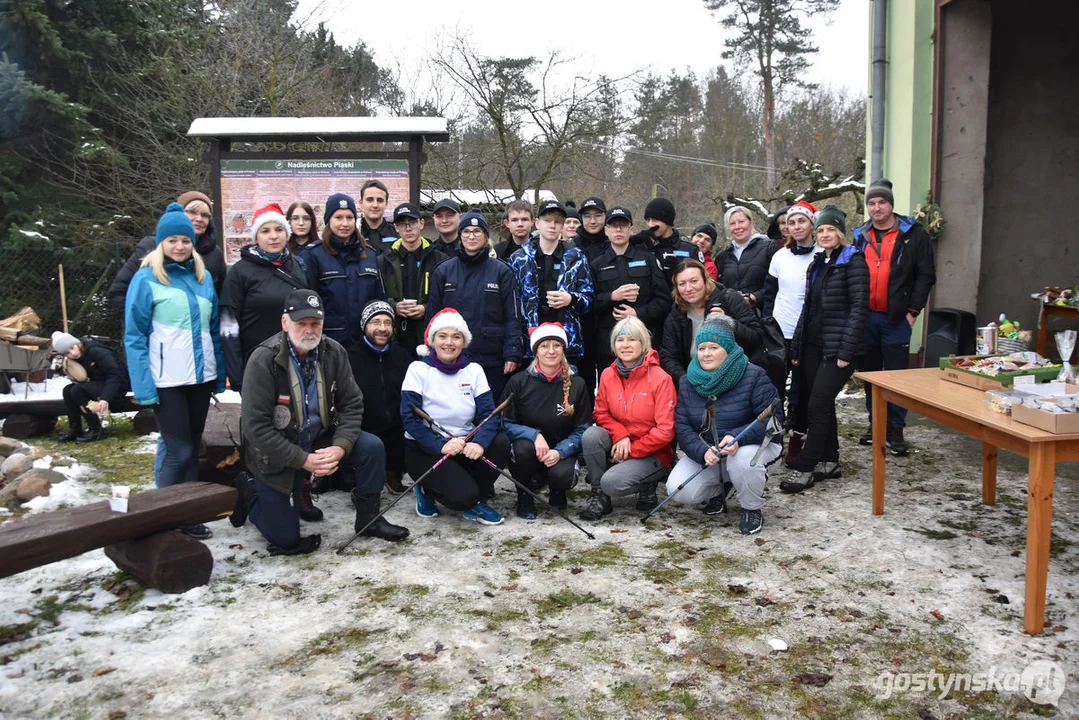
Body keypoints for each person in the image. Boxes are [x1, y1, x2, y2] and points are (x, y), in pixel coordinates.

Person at [236, 290, 408, 556]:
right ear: (285, 323)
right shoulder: (263, 360)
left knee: (371, 447)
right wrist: (301, 460)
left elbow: (352, 404)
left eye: (314, 323)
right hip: (278, 450)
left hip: (319, 437)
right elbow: (256, 428)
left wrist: (340, 446)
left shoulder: (333, 352)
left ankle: (369, 519)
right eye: (300, 323)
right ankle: (251, 492)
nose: (308, 330)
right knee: (285, 539)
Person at [124, 203, 225, 540]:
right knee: (178, 449)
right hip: (166, 380)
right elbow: (134, 335)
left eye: (185, 240)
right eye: (172, 240)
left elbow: (212, 330)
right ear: (161, 243)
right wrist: (143, 385)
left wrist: (218, 373)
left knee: (192, 446)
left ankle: (189, 512)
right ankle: (164, 516)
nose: (180, 246)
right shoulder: (146, 278)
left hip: (200, 377)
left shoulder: (203, 277)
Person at [666, 318, 782, 534]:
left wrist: (738, 437)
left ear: (728, 349)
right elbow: (682, 425)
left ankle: (751, 508)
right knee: (678, 490)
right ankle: (722, 487)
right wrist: (702, 451)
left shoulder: (753, 375)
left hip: (752, 447)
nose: (706, 353)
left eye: (714, 347)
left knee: (743, 461)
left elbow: (774, 420)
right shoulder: (688, 381)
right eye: (701, 348)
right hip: (713, 452)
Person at [782, 206, 869, 493]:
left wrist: (847, 350)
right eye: (820, 230)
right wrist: (797, 345)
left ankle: (807, 465)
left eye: (830, 229)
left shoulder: (854, 261)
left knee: (818, 402)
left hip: (839, 348)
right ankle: (830, 460)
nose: (825, 234)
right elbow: (808, 308)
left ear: (841, 232)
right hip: (812, 344)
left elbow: (859, 308)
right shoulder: (818, 263)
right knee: (818, 403)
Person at [400, 309, 512, 525]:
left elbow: (489, 415)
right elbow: (409, 418)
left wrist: (479, 443)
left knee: (500, 443)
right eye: (442, 336)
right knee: (463, 497)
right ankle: (428, 489)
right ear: (432, 340)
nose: (449, 343)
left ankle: (474, 500)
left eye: (456, 336)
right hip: (427, 450)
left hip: (464, 445)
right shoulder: (418, 369)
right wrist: (441, 444)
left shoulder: (474, 370)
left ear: (464, 342)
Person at [852, 178, 937, 456]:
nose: (877, 208)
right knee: (871, 375)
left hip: (897, 318)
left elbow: (925, 276)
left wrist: (913, 311)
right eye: (872, 203)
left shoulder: (914, 234)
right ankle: (874, 423)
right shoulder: (859, 236)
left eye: (882, 202)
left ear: (891, 205)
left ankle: (896, 427)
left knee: (897, 376)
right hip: (866, 319)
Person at [579, 317, 676, 520]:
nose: (625, 345)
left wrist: (631, 451)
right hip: (620, 443)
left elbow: (665, 431)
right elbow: (600, 413)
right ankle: (599, 495)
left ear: (643, 343)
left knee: (612, 482)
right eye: (620, 340)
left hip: (653, 452)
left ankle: (647, 484)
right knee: (591, 435)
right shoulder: (607, 374)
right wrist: (620, 435)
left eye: (631, 340)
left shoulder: (661, 378)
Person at [427, 211, 523, 400]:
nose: (471, 236)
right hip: (452, 354)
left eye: (477, 231)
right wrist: (430, 350)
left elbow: (513, 316)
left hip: (491, 356)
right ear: (460, 236)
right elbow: (432, 317)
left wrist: (512, 353)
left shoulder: (502, 271)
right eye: (467, 232)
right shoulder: (444, 271)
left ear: (486, 236)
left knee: (489, 409)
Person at [501, 323, 593, 518]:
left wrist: (561, 451)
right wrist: (533, 435)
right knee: (521, 449)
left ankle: (557, 490)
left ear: (564, 350)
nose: (551, 351)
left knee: (563, 476)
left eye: (556, 345)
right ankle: (525, 495)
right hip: (530, 448)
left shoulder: (577, 383)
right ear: (535, 351)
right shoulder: (518, 382)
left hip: (561, 449)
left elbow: (583, 428)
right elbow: (504, 422)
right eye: (544, 346)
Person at [219, 203, 308, 393]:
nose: (273, 236)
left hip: (296, 362)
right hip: (256, 365)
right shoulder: (240, 272)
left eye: (278, 229)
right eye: (265, 231)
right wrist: (237, 375)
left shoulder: (298, 267)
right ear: (256, 237)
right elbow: (228, 326)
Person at [762, 201, 820, 462]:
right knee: (773, 388)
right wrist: (767, 324)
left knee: (802, 390)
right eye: (791, 222)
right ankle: (774, 440)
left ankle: (798, 437)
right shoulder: (780, 256)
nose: (795, 227)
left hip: (808, 334)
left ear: (812, 224)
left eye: (801, 221)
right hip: (780, 333)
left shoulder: (822, 254)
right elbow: (770, 294)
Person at [108, 191, 226, 314]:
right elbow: (119, 294)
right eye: (192, 212)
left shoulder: (215, 254)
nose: (199, 219)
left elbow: (219, 298)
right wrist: (149, 323)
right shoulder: (149, 247)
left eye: (205, 215)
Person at [508, 199, 593, 365]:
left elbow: (589, 299)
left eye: (557, 222)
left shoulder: (576, 258)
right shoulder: (519, 259)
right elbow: (510, 304)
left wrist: (571, 299)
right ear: (537, 223)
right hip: (529, 343)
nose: (552, 226)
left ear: (563, 226)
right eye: (547, 221)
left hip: (566, 342)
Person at [589, 206, 671, 370]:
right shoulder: (597, 264)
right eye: (613, 225)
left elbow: (664, 300)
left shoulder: (648, 259)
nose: (618, 229)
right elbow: (589, 304)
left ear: (631, 228)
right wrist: (612, 296)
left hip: (643, 340)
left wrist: (638, 313)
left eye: (623, 225)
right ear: (606, 230)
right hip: (609, 345)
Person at [303, 193, 388, 347]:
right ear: (328, 220)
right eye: (338, 217)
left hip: (365, 342)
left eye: (349, 217)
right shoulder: (314, 255)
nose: (345, 223)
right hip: (329, 341)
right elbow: (308, 302)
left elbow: (380, 299)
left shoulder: (369, 255)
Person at [660, 259, 763, 383]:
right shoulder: (676, 314)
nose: (688, 288)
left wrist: (728, 322)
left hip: (736, 376)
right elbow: (668, 356)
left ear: (705, 280)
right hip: (695, 379)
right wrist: (686, 380)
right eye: (682, 284)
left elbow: (756, 337)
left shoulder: (729, 298)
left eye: (694, 281)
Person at [347, 300, 412, 495]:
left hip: (395, 428)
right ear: (364, 325)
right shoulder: (348, 357)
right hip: (362, 426)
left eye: (387, 323)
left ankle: (393, 473)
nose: (382, 328)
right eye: (375, 322)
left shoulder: (402, 356)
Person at [377, 202, 450, 359]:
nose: (408, 228)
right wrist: (394, 306)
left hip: (429, 332)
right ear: (396, 228)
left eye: (412, 223)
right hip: (395, 333)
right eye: (402, 224)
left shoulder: (439, 259)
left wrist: (426, 308)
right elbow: (376, 295)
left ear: (421, 223)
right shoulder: (384, 260)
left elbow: (449, 297)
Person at [51, 332, 127, 443]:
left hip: (117, 388)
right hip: (99, 384)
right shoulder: (76, 357)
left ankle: (96, 429)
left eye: (72, 348)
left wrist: (105, 398)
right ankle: (75, 429)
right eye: (67, 352)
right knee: (68, 390)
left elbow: (116, 375)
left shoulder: (97, 351)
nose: (73, 353)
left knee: (77, 390)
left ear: (77, 343)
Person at [572, 196, 611, 393]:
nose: (593, 221)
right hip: (581, 322)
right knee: (583, 380)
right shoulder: (571, 246)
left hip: (608, 320)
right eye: (587, 216)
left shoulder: (613, 242)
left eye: (597, 216)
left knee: (609, 378)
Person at [716, 206, 777, 312]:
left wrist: (754, 297)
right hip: (733, 315)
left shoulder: (769, 247)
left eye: (741, 222)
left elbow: (777, 283)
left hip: (763, 314)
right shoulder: (724, 256)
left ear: (751, 222)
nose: (737, 227)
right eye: (732, 224)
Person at [630, 197, 703, 283]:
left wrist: (677, 272)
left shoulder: (690, 250)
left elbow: (701, 285)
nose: (650, 224)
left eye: (655, 220)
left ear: (667, 221)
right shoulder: (642, 247)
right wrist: (631, 242)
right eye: (648, 220)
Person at [358, 179, 398, 254]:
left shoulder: (397, 233)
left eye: (380, 200)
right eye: (370, 200)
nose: (375, 205)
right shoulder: (353, 233)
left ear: (386, 203)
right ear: (361, 203)